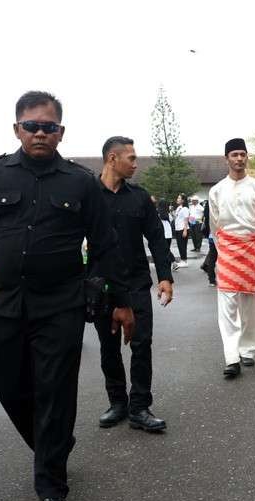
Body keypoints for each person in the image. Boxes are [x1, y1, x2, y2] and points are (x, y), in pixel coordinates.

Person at [0, 91, 134, 501]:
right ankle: (53, 445)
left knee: (54, 391)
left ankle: (51, 487)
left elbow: (106, 245)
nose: (40, 133)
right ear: (17, 129)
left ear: (61, 132)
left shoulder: (80, 182)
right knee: (8, 383)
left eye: (49, 127)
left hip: (60, 306)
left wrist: (120, 301)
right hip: (6, 304)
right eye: (32, 126)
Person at [91, 137, 174, 432]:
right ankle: (117, 403)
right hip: (102, 287)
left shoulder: (139, 197)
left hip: (137, 283)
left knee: (142, 344)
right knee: (108, 346)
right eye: (132, 159)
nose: (136, 164)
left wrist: (165, 276)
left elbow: (156, 238)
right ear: (113, 158)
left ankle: (140, 406)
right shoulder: (88, 195)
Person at [208, 138, 255, 378]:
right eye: (234, 154)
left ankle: (248, 350)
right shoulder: (216, 190)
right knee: (227, 305)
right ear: (226, 159)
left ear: (247, 157)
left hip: (251, 247)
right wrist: (223, 249)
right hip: (227, 250)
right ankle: (231, 357)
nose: (239, 159)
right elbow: (214, 225)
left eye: (242, 154)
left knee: (249, 304)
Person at [200, 196, 217, 287]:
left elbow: (206, 222)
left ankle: (211, 279)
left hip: (212, 235)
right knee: (216, 257)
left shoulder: (208, 207)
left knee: (212, 257)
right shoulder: (219, 207)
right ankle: (213, 279)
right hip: (220, 235)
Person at [172, 194, 190, 269]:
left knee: (182, 245)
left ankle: (184, 261)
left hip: (183, 229)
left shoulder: (185, 208)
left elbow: (186, 219)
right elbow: (176, 217)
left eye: (179, 198)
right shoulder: (179, 208)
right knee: (180, 245)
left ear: (183, 200)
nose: (177, 199)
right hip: (178, 228)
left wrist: (185, 230)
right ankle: (182, 260)